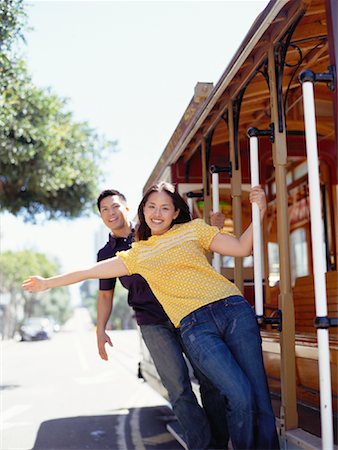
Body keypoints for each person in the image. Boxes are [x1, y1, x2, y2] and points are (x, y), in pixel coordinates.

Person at [22, 181, 280, 450]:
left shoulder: (191, 229)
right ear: (143, 210)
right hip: (187, 324)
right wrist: (47, 282)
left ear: (174, 212)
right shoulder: (136, 254)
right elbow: (89, 272)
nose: (157, 213)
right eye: (152, 207)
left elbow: (238, 248)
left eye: (165, 208)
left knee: (253, 395)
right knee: (233, 394)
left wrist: (258, 211)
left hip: (232, 310)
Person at [96, 188, 229, 450]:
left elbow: (191, 248)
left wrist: (215, 231)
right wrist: (100, 330)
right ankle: (203, 446)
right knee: (178, 389)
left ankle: (221, 442)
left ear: (127, 207)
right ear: (100, 216)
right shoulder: (105, 254)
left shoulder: (154, 229)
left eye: (115, 207)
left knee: (210, 381)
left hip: (187, 313)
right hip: (152, 323)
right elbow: (104, 296)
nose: (111, 213)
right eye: (104, 210)